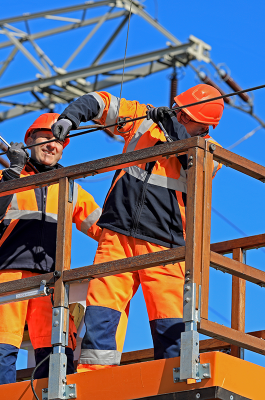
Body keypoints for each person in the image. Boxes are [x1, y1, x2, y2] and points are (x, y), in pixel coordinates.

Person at [51, 84, 224, 371]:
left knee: (170, 322)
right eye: (178, 111)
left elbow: (196, 167)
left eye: (186, 116)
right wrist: (71, 117)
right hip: (117, 235)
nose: (179, 116)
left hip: (165, 244)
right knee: (101, 312)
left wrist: (171, 128)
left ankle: (173, 385)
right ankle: (94, 378)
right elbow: (102, 102)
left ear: (205, 126)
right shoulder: (144, 119)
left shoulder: (211, 153)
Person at [0, 113, 102, 386]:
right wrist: (13, 171)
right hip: (7, 273)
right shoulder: (3, 176)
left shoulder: (70, 187)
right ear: (29, 141)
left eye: (59, 141)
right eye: (47, 138)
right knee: (2, 343)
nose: (53, 145)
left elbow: (103, 228)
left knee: (57, 346)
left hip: (52, 278)